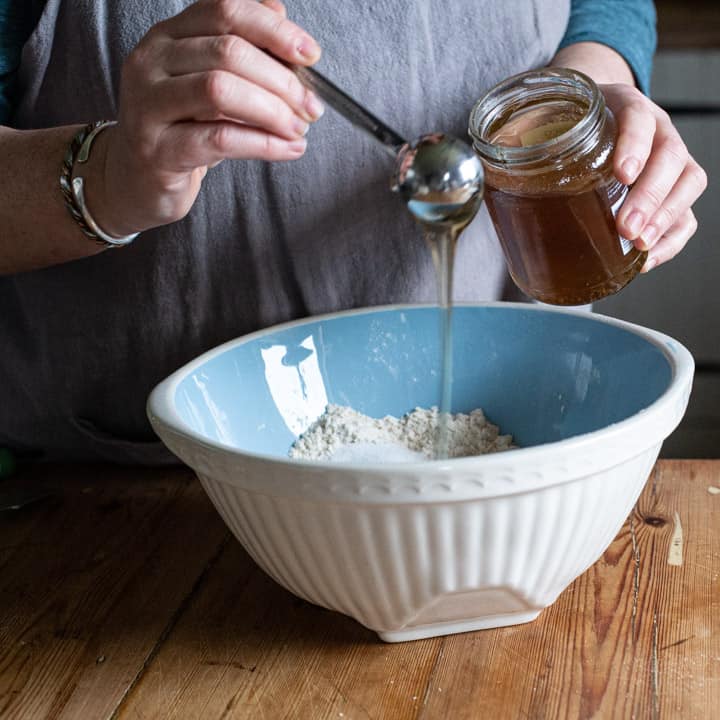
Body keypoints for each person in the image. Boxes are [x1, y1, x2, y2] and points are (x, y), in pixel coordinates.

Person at [0, 0, 707, 464]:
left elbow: (605, 7)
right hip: (130, 506)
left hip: (515, 468)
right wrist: (110, 178)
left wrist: (588, 84)